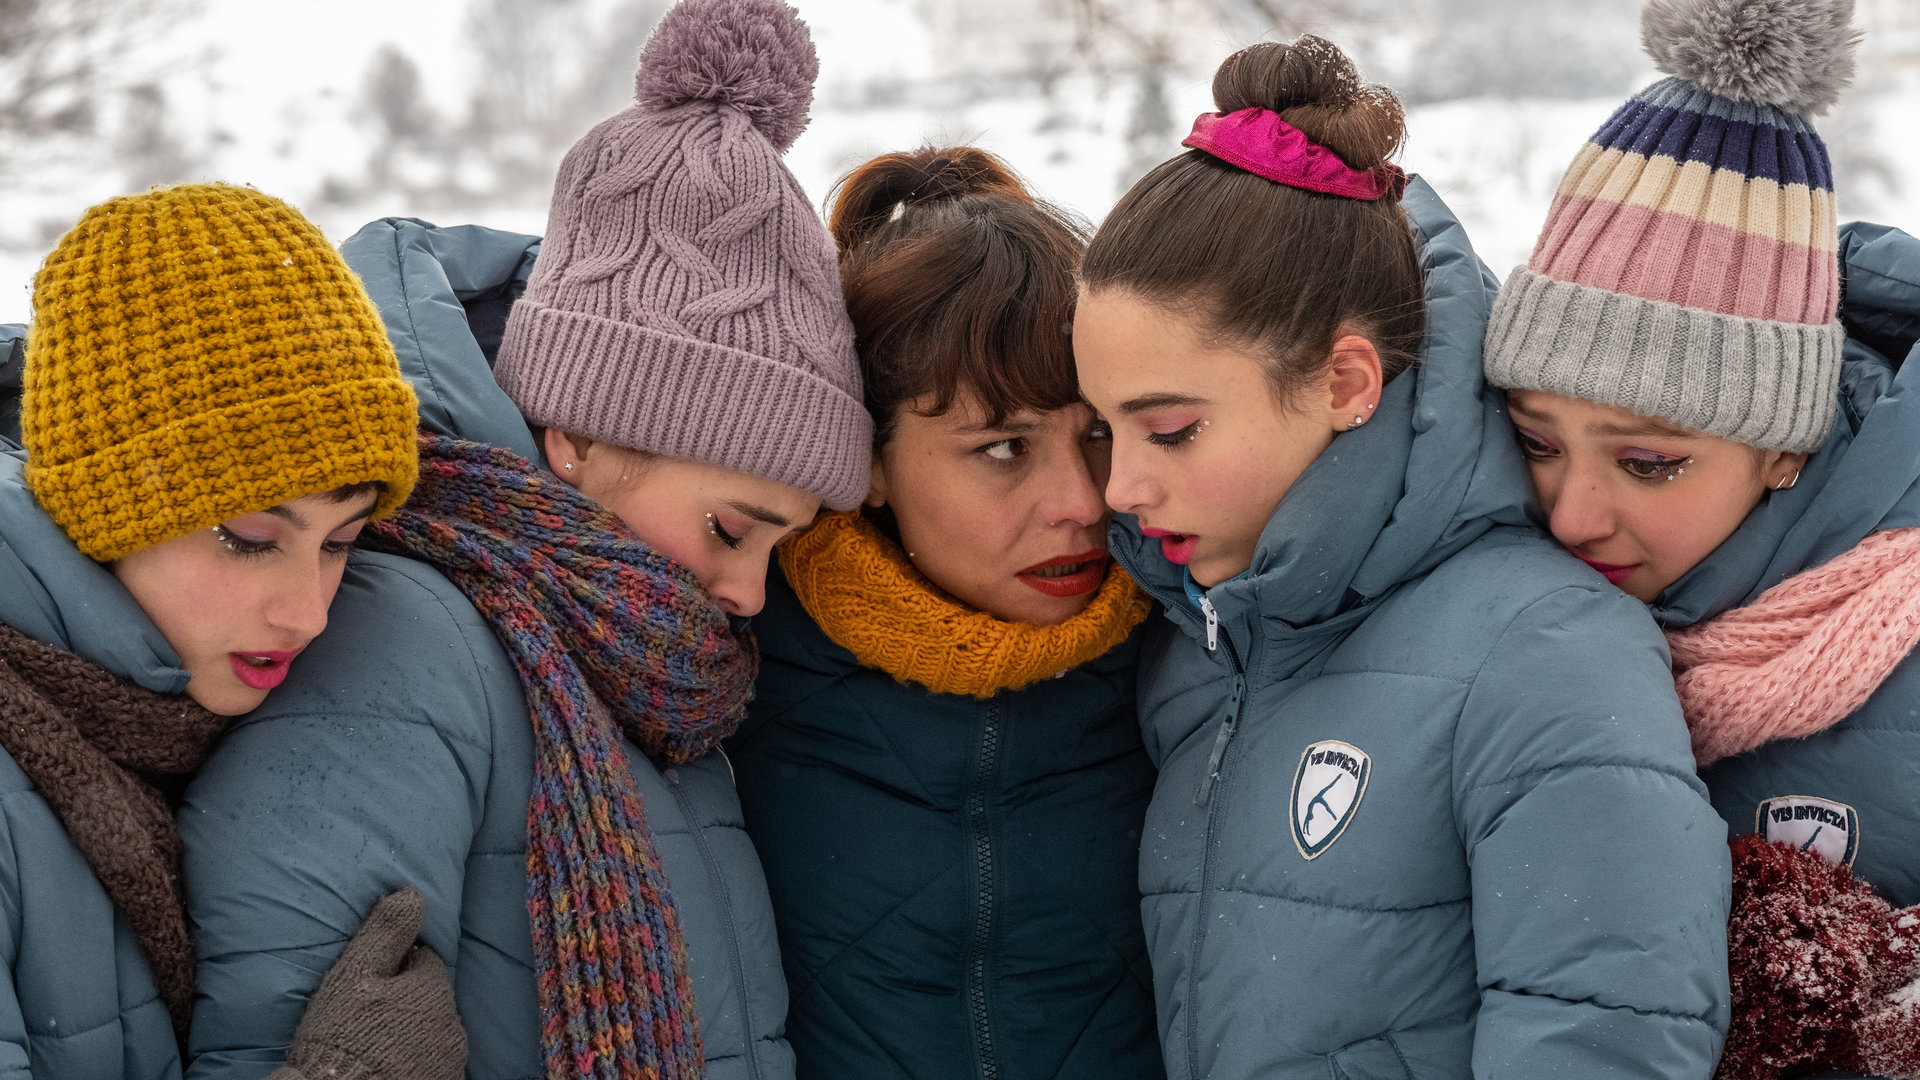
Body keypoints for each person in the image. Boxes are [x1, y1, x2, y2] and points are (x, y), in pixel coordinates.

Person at [177, 2, 870, 1078]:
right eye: (733, 529)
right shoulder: (402, 646)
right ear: (579, 435)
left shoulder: (646, 668)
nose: (747, 593)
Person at [1070, 33, 1732, 1080]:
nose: (1121, 490)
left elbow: (1606, 1033)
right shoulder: (1198, 644)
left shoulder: (1546, 649)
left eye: (1172, 430)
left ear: (1345, 383)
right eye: (1104, 429)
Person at [1483, 0, 1918, 1072]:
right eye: (1538, 441)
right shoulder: (1489, 597)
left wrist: (1880, 1009)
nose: (1572, 514)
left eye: (1649, 462)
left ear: (1784, 446)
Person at [0, 184, 463, 1078]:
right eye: (249, 537)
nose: (308, 612)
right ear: (102, 513)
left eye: (341, 542)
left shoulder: (148, 725)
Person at [727, 147, 1161, 1080]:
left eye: (1097, 431)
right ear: (868, 461)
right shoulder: (727, 665)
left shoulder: (1202, 653)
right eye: (1004, 447)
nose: (1083, 502)